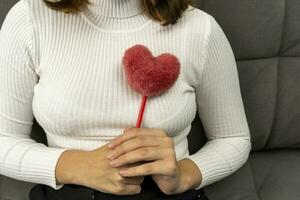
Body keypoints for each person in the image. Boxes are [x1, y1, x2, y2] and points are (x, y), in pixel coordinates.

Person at [0, 0, 252, 199]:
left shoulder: (200, 28)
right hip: (70, 192)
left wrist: (183, 174)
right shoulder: (29, 19)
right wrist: (77, 165)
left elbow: (233, 138)